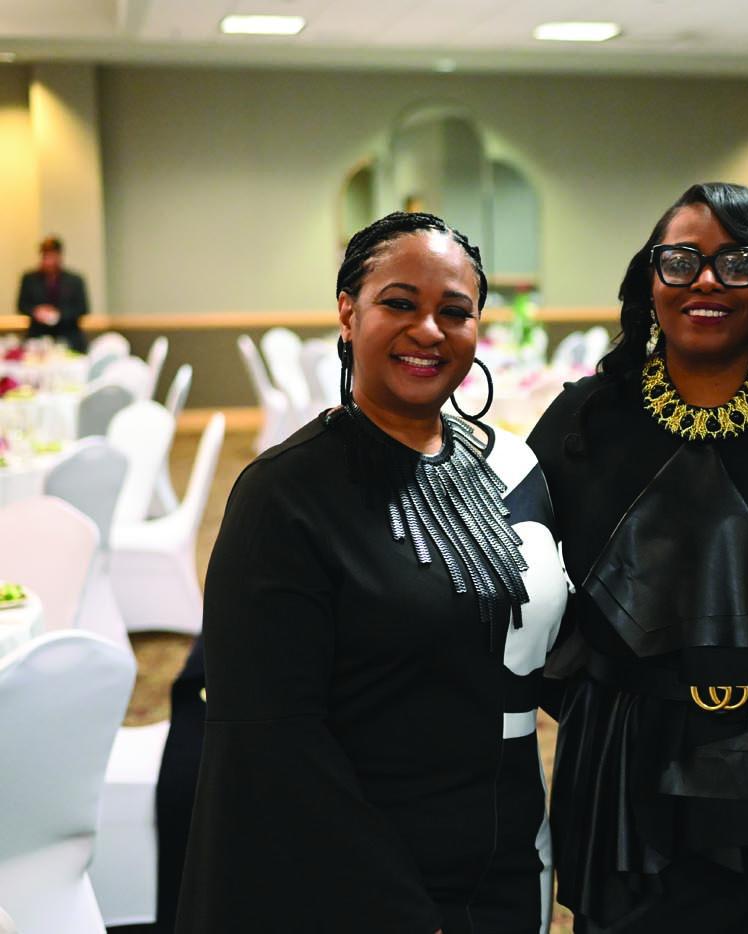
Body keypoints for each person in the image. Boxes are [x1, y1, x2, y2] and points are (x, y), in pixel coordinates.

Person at [175, 212, 568, 934]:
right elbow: (271, 738)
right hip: (363, 875)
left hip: (510, 853)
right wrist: (398, 909)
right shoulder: (284, 495)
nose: (429, 330)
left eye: (455, 312)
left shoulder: (512, 469)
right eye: (399, 303)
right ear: (348, 313)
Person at [527, 182, 748, 934]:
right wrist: (604, 700)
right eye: (680, 261)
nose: (705, 281)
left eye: (736, 263)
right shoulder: (584, 419)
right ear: (650, 279)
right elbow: (526, 588)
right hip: (626, 765)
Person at [16, 236, 89, 351]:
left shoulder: (74, 280)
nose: (49, 261)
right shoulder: (30, 279)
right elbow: (22, 305)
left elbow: (82, 309)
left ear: (59, 256)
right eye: (46, 256)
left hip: (68, 336)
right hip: (38, 336)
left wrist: (58, 315)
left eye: (52, 256)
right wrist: (36, 312)